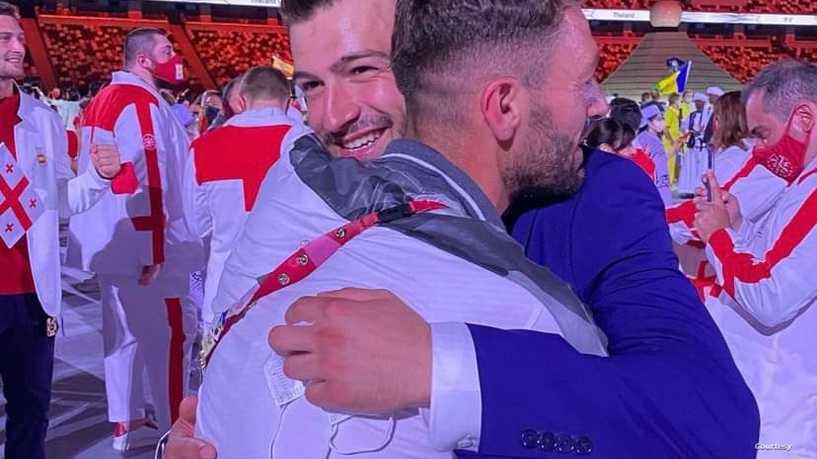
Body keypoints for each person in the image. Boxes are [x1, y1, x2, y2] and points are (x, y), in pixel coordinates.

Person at [162, 0, 758, 457]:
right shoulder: (298, 180)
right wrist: (219, 425)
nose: (332, 115)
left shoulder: (588, 196)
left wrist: (442, 367)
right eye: (311, 85)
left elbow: (709, 420)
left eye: (364, 69)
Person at [65, 27, 204, 452]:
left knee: (123, 336)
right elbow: (148, 177)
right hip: (142, 243)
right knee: (171, 337)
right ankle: (175, 434)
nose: (175, 56)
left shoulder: (105, 97)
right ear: (144, 60)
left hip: (112, 240)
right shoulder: (139, 101)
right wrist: (153, 246)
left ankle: (127, 421)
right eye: (167, 50)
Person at [0, 3, 122, 458]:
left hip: (32, 297)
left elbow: (60, 202)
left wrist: (98, 178)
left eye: (19, 37)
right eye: (5, 38)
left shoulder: (42, 119)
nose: (19, 46)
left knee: (31, 414)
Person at [693, 61, 817, 457]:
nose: (758, 149)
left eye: (763, 134)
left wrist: (718, 235)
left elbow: (770, 295)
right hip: (771, 408)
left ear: (804, 119)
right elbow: (778, 263)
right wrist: (737, 226)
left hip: (780, 426)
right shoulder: (803, 179)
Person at [184, 66, 309, 324]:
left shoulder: (204, 148)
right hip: (292, 289)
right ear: (288, 101)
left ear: (241, 100)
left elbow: (195, 225)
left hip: (226, 290)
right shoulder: (308, 144)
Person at [634, 104, 673, 206]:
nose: (663, 123)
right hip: (654, 183)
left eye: (662, 119)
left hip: (661, 180)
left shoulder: (654, 137)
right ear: (648, 122)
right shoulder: (644, 139)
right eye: (659, 120)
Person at [679, 92, 709, 194]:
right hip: (693, 144)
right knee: (691, 167)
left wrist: (701, 133)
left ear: (703, 102)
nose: (696, 104)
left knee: (702, 167)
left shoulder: (708, 114)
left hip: (703, 146)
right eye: (695, 102)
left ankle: (701, 189)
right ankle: (690, 189)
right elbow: (684, 127)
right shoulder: (692, 115)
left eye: (698, 102)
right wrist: (690, 132)